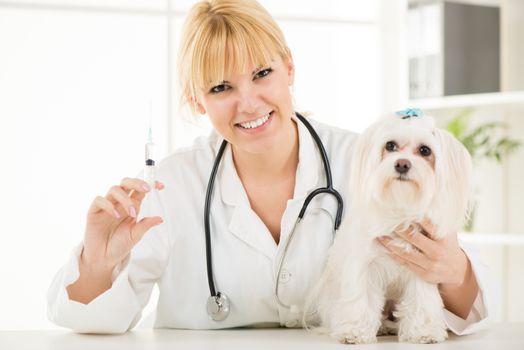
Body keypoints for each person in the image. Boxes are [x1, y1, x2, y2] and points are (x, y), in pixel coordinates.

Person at [47, 0, 494, 334]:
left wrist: (452, 270)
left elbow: (467, 311)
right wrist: (98, 265)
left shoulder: (369, 159)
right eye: (221, 86)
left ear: (289, 67)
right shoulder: (171, 184)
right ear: (195, 100)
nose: (248, 103)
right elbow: (98, 324)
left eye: (262, 74)